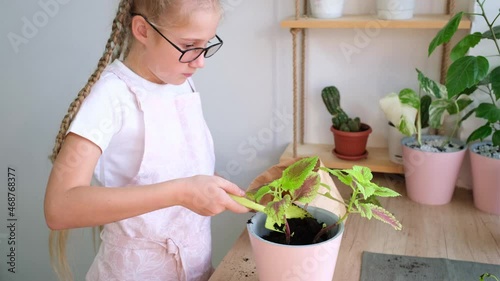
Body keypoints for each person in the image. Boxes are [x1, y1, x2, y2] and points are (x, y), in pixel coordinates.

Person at [44, 0, 249, 280]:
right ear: (142, 30)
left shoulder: (180, 83)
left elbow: (179, 170)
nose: (200, 62)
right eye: (189, 46)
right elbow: (59, 208)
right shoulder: (112, 96)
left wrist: (228, 191)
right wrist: (183, 192)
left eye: (206, 45)